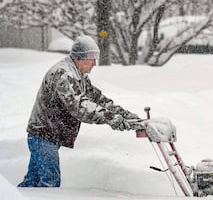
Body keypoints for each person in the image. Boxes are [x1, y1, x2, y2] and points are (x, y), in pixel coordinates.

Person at [18, 35, 142, 187]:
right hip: (43, 136)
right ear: (79, 58)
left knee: (32, 182)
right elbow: (79, 107)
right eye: (92, 59)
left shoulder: (77, 75)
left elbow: (98, 99)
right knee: (50, 182)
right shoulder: (63, 74)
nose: (95, 64)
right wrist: (111, 119)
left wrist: (126, 115)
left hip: (46, 136)